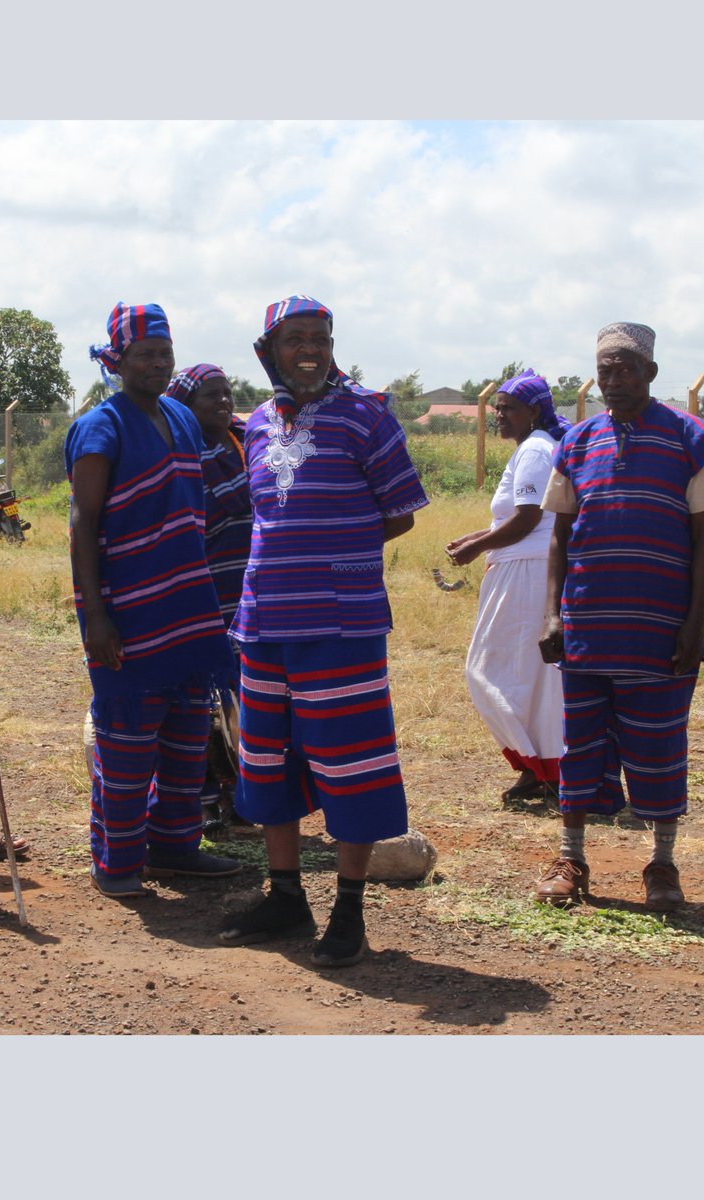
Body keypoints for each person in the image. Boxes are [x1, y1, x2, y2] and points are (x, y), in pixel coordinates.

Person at [217, 294, 429, 967]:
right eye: (295, 338)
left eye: (321, 337)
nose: (310, 349)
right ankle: (285, 898)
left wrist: (340, 559)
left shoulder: (367, 417)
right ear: (269, 350)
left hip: (340, 625)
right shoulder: (253, 425)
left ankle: (348, 909)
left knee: (352, 767)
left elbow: (399, 512)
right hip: (262, 621)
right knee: (267, 763)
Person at [536, 322, 704, 911]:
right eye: (605, 370)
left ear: (651, 372)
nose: (615, 379)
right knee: (579, 744)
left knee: (660, 743)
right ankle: (571, 858)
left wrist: (694, 624)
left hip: (661, 629)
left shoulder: (691, 438)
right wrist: (552, 615)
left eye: (626, 368)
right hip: (587, 626)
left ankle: (663, 866)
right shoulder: (575, 442)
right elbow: (559, 538)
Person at [66, 303, 241, 900]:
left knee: (188, 735)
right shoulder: (100, 427)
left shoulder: (182, 419)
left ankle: (175, 845)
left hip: (189, 608)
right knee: (128, 739)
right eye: (145, 354)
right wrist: (94, 613)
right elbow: (83, 525)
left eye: (165, 354)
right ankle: (115, 863)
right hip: (130, 609)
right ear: (117, 360)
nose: (158, 364)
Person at [446, 369, 570, 805]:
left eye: (508, 408)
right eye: (497, 406)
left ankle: (544, 764)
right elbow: (516, 518)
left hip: (527, 573)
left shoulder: (537, 449)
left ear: (533, 411)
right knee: (528, 677)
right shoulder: (532, 449)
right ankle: (537, 765)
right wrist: (478, 537)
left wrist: (477, 548)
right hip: (523, 568)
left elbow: (528, 519)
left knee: (490, 671)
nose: (499, 414)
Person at [165, 363, 254, 834]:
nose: (224, 402)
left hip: (251, 594)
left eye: (228, 393)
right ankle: (201, 800)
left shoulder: (247, 443)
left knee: (247, 702)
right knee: (202, 701)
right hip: (201, 594)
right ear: (185, 406)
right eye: (211, 396)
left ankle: (246, 797)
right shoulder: (178, 455)